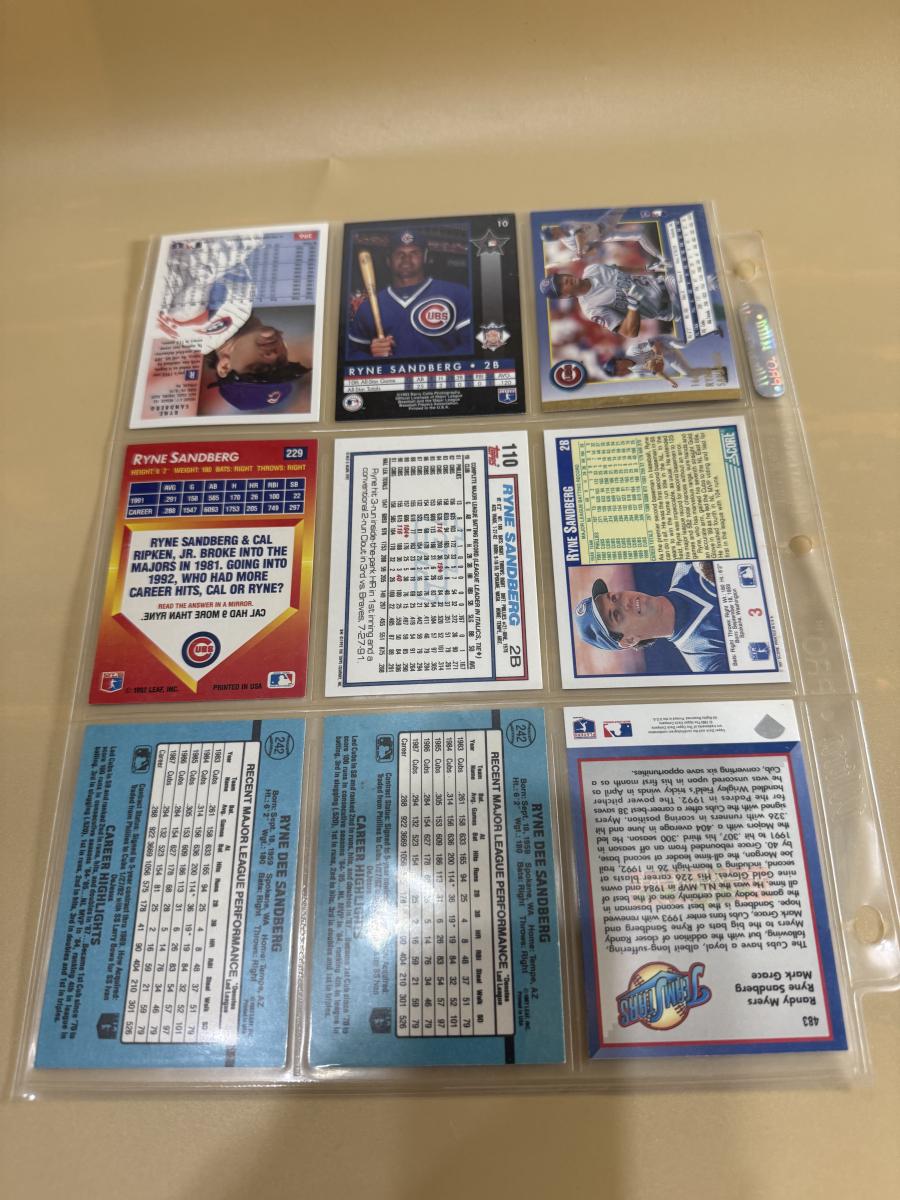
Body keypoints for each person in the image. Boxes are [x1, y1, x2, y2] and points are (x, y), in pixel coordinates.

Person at [156, 234, 310, 412]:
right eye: (281, 365)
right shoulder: (232, 319)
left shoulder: (197, 322)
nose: (274, 355)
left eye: (260, 368)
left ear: (225, 366)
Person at [573, 563, 728, 673]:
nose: (625, 603)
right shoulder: (708, 660)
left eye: (614, 598)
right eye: (616, 615)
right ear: (629, 640)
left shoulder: (690, 564)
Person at [347, 228, 472, 358]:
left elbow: (473, 345)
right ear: (389, 260)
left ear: (425, 257)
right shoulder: (368, 307)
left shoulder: (458, 295)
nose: (406, 258)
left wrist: (435, 367)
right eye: (399, 253)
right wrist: (373, 358)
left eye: (414, 253)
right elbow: (352, 353)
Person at [540, 262, 679, 340]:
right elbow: (629, 332)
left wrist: (647, 268)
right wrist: (633, 306)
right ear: (565, 296)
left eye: (560, 278)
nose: (565, 280)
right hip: (670, 307)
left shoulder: (592, 268)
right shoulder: (591, 309)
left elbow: (619, 268)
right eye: (560, 285)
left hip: (665, 283)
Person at [540, 208, 669, 266]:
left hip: (602, 223)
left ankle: (660, 211)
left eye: (552, 229)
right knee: (639, 235)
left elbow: (578, 233)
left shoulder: (565, 225)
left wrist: (579, 251)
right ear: (555, 237)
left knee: (621, 207)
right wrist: (584, 254)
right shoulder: (569, 244)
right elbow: (593, 251)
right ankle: (660, 258)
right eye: (552, 232)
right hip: (604, 235)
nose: (554, 229)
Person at [602, 335, 726, 388]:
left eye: (616, 369)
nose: (620, 372)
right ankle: (719, 370)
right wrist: (668, 380)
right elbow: (656, 371)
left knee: (683, 344)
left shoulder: (632, 351)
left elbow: (655, 344)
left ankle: (710, 331)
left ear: (617, 361)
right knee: (688, 374)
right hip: (667, 354)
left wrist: (658, 359)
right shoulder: (636, 370)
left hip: (664, 342)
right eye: (617, 373)